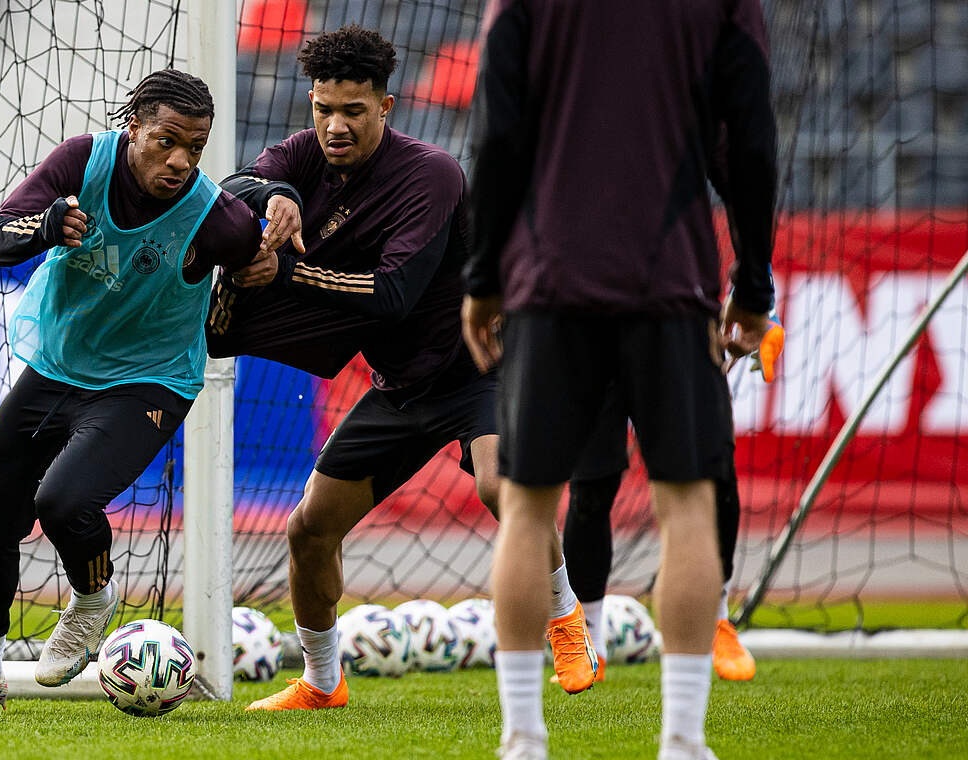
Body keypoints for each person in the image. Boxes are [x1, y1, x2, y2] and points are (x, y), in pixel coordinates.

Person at [206, 25, 598, 712]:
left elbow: (392, 296)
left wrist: (285, 269)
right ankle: (323, 683)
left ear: (385, 108)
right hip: (400, 385)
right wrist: (275, 195)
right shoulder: (300, 154)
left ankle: (565, 621)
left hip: (483, 364)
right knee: (309, 529)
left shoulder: (431, 174)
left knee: (501, 487)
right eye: (323, 108)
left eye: (352, 111)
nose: (334, 125)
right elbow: (238, 183)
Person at [460, 0, 777, 757]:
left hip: (550, 282)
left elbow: (499, 134)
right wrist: (755, 280)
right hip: (671, 283)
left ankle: (523, 738)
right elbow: (752, 139)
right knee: (688, 509)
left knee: (530, 510)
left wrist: (484, 273)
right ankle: (682, 740)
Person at [0, 68, 266, 715]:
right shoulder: (82, 162)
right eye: (166, 141)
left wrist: (278, 200)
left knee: (63, 502)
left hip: (149, 379)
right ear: (132, 126)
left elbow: (259, 248)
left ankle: (92, 597)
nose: (179, 161)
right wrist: (46, 227)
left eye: (194, 149)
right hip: (56, 364)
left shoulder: (208, 214)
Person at [554, 317, 783, 687]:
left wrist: (759, 298)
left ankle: (717, 618)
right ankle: (589, 639)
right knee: (591, 488)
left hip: (675, 321)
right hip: (595, 319)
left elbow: (748, 257)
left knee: (711, 474)